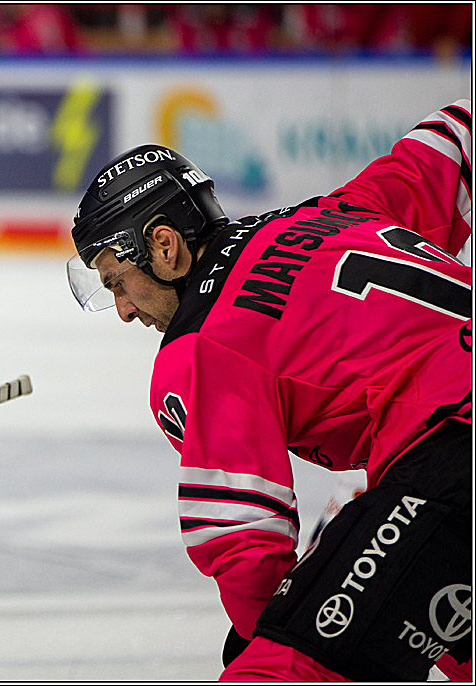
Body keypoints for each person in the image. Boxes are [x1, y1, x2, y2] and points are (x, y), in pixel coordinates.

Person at [66, 100, 471, 681]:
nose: (124, 311)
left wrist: (268, 631)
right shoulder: (329, 213)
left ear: (163, 246)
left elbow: (245, 540)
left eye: (117, 283)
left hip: (452, 449)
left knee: (277, 670)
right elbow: (451, 141)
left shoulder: (202, 346)